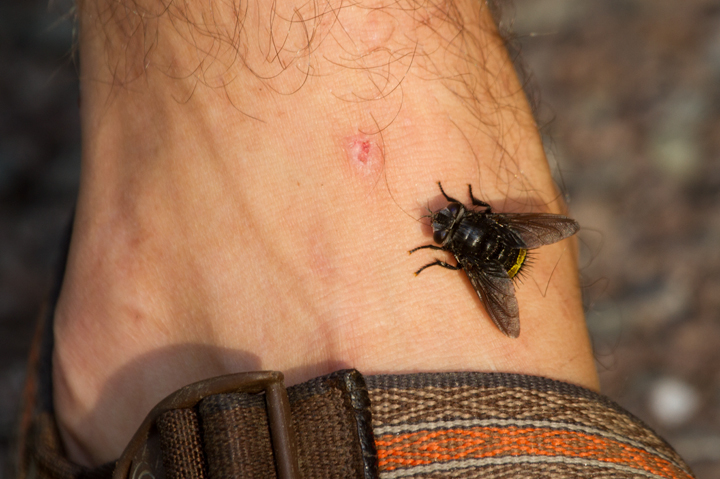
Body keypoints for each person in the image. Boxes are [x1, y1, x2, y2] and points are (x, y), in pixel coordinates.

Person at [19, 0, 695, 477]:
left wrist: (462, 242)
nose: (445, 223)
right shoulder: (481, 234)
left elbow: (470, 253)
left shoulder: (463, 245)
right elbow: (487, 240)